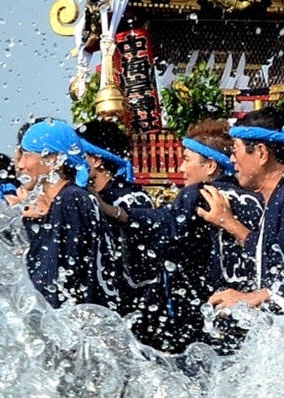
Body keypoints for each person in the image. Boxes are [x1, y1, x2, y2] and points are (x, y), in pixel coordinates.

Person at [110, 118, 263, 353]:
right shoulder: (256, 199)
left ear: (211, 166)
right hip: (250, 309)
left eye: (187, 160)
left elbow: (167, 231)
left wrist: (118, 213)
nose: (181, 168)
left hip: (210, 315)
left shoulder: (197, 193)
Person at [200, 107, 284, 313]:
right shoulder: (279, 196)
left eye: (236, 151)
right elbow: (272, 256)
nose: (232, 160)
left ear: (261, 153)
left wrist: (248, 298)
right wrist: (227, 221)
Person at [17, 117, 119, 310]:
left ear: (53, 160)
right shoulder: (65, 200)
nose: (21, 164)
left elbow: (54, 280)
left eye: (27, 155)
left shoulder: (71, 200)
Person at [77, 118, 157, 342]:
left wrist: (110, 211)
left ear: (96, 159)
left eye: (79, 154)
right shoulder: (82, 197)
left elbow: (148, 230)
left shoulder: (131, 196)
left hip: (135, 307)